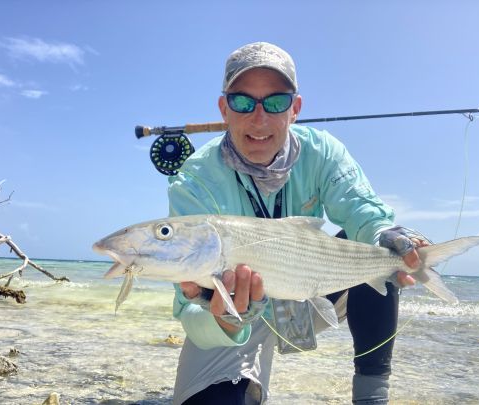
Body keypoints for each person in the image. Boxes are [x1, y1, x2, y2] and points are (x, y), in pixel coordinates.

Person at [168, 41, 425, 404]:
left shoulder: (323, 152)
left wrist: (391, 236)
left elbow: (363, 212)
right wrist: (224, 321)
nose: (260, 119)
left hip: (310, 294)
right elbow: (187, 306)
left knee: (375, 248)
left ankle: (372, 395)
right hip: (234, 316)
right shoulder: (193, 181)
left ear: (295, 109)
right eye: (243, 102)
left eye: (276, 102)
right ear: (224, 108)